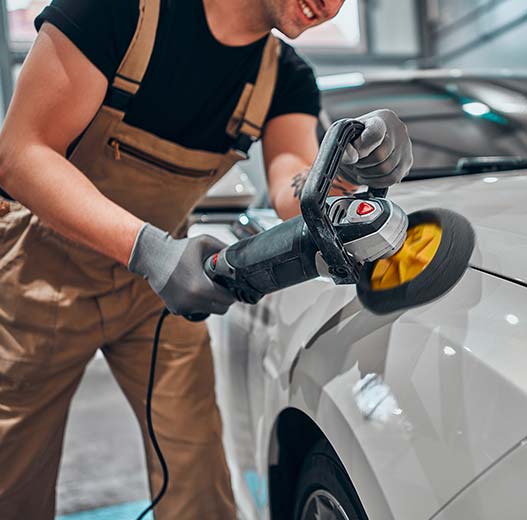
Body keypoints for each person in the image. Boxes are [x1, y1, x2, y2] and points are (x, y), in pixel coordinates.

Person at [0, 0, 413, 517]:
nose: (330, 6)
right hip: (41, 273)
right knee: (11, 474)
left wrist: (343, 169)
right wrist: (147, 251)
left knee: (197, 474)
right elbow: (22, 154)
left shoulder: (283, 78)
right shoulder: (114, 11)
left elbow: (293, 182)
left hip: (157, 292)